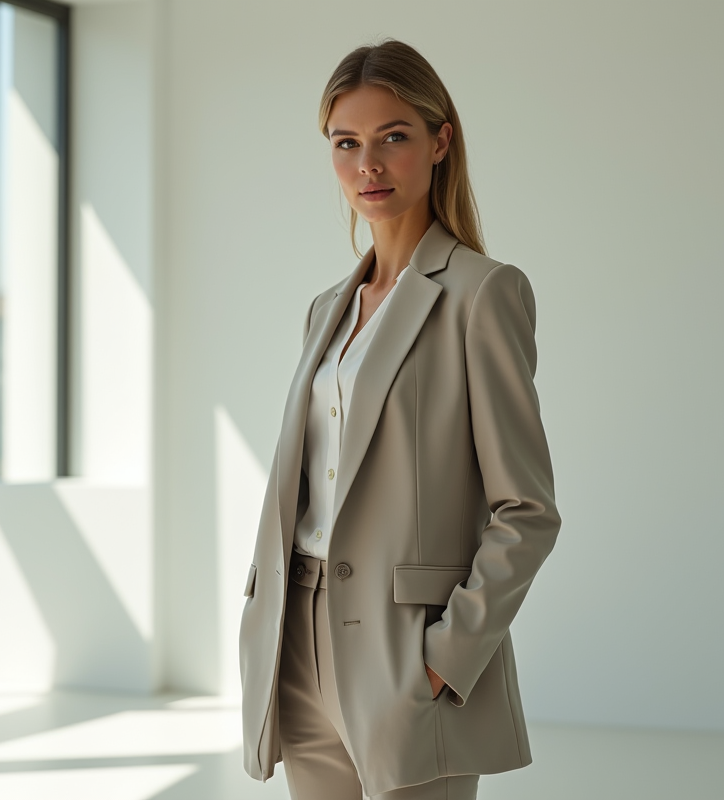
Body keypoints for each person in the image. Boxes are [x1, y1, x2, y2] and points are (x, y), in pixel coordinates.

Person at [238, 38, 563, 800]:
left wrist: (447, 657)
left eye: (392, 137)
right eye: (346, 143)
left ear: (440, 141)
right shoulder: (326, 309)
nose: (368, 166)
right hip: (297, 640)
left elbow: (527, 510)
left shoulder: (482, 295)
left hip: (405, 651)